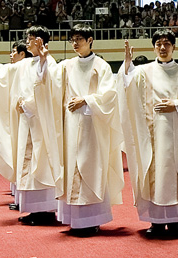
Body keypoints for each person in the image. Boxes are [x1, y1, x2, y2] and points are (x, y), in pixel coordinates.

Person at [0, 26, 63, 226]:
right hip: (26, 123)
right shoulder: (25, 64)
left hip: (41, 124)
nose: (28, 42)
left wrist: (27, 104)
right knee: (27, 164)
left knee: (41, 164)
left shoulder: (49, 61)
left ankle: (45, 210)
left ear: (40, 41)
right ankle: (34, 209)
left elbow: (50, 89)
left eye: (31, 39)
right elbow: (3, 73)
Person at [40, 24, 124, 237]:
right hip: (70, 126)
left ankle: (93, 220)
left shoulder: (101, 66)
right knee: (72, 167)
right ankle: (74, 219)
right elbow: (49, 83)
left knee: (91, 168)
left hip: (92, 127)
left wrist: (85, 100)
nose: (75, 43)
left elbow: (109, 95)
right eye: (72, 40)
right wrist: (44, 60)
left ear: (90, 40)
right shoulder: (66, 65)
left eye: (79, 39)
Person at [118, 29, 178, 238]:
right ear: (153, 47)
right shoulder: (142, 72)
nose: (163, 48)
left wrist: (176, 104)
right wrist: (126, 68)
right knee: (154, 172)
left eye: (167, 44)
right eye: (159, 44)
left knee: (174, 173)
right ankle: (155, 222)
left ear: (174, 46)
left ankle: (175, 221)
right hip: (151, 134)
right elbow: (126, 87)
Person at [7, 39, 33, 212]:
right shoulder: (20, 67)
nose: (11, 55)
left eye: (14, 51)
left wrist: (26, 104)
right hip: (22, 119)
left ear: (22, 54)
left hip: (33, 119)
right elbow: (2, 72)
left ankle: (36, 206)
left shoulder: (30, 65)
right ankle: (21, 200)